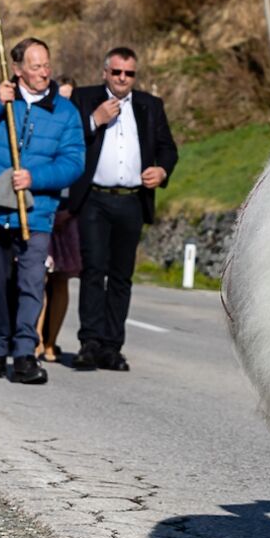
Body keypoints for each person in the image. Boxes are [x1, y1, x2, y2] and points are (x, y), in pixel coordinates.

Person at [0, 38, 85, 383]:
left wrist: (34, 177)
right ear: (17, 69)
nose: (44, 72)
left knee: (31, 283)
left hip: (37, 210)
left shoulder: (65, 112)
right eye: (35, 66)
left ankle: (26, 354)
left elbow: (74, 163)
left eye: (47, 65)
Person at [68, 47, 178, 373]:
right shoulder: (84, 98)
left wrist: (162, 171)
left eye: (129, 74)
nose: (122, 79)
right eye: (116, 72)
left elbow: (168, 148)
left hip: (131, 199)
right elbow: (66, 139)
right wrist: (94, 120)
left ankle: (112, 346)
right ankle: (89, 342)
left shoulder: (149, 106)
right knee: (93, 271)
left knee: (121, 276)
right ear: (105, 72)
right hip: (94, 198)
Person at [39, 74, 82, 362]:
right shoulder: (45, 126)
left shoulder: (77, 131)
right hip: (44, 209)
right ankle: (34, 339)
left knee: (60, 280)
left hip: (68, 213)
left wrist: (71, 209)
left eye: (70, 98)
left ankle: (51, 342)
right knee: (38, 278)